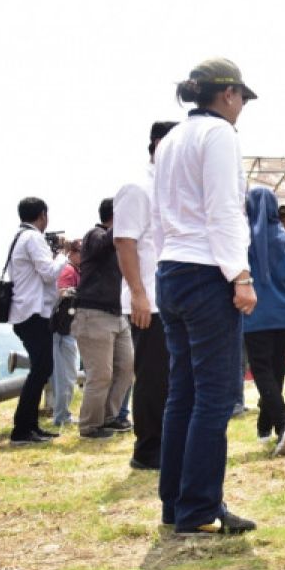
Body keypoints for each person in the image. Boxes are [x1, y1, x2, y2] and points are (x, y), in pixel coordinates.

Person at [152, 57, 258, 536]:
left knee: (184, 394)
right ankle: (198, 506)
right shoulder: (218, 135)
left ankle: (176, 504)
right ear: (229, 94)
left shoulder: (172, 137)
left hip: (171, 269)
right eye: (241, 99)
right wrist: (240, 275)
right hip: (207, 270)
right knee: (214, 399)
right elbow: (224, 210)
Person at [114, 121, 177, 469]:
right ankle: (148, 449)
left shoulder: (169, 186)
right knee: (152, 377)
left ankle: (166, 442)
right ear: (157, 144)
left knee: (169, 377)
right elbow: (124, 242)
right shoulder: (137, 187)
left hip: (171, 297)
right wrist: (137, 293)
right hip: (147, 300)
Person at [242, 186, 285, 457]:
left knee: (264, 372)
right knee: (277, 370)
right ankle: (265, 426)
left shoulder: (244, 239)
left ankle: (283, 421)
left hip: (256, 316)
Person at [6, 197, 67, 445]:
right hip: (32, 313)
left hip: (26, 312)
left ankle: (30, 426)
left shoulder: (20, 237)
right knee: (41, 369)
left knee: (41, 368)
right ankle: (22, 429)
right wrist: (63, 256)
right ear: (42, 215)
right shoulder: (33, 238)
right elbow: (49, 273)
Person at [73, 198, 135, 439]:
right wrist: (127, 218)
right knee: (100, 374)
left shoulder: (118, 243)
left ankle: (110, 417)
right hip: (93, 314)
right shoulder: (94, 235)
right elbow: (104, 243)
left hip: (116, 314)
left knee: (127, 368)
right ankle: (90, 425)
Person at [49, 239, 81, 426]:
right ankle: (62, 416)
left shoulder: (73, 270)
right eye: (79, 251)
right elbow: (59, 294)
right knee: (65, 375)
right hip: (62, 330)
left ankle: (62, 415)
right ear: (72, 253)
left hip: (64, 329)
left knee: (65, 375)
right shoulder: (68, 271)